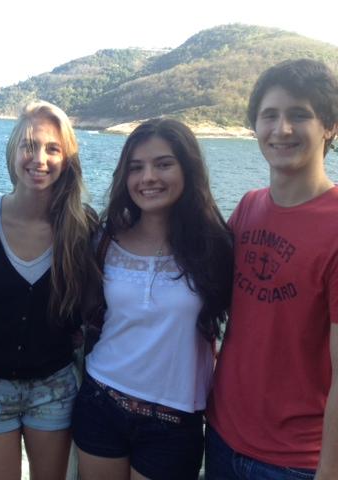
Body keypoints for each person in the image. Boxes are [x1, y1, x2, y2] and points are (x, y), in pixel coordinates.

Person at [72, 118, 233, 479]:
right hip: (101, 402)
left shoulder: (217, 247)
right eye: (136, 167)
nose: (148, 177)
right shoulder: (104, 241)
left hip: (173, 423)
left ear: (187, 168)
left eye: (163, 164)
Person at [206, 59, 338, 479]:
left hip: (295, 462)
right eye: (269, 116)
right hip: (222, 437)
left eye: (299, 115)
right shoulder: (248, 206)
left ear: (329, 127)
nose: (281, 130)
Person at [0, 100, 99, 480]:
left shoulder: (82, 226)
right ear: (13, 152)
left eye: (52, 148)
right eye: (28, 145)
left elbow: (95, 301)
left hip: (53, 387)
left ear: (66, 157)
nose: (39, 158)